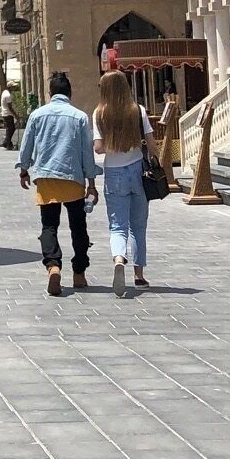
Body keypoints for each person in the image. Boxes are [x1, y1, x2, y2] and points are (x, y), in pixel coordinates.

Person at [17, 71, 99, 295]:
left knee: (49, 225)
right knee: (78, 227)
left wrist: (24, 170)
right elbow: (86, 153)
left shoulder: (37, 115)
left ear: (50, 92)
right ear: (70, 93)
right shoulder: (79, 116)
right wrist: (91, 182)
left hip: (46, 177)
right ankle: (79, 273)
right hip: (73, 178)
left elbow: (26, 146)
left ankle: (53, 265)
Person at [93, 70, 159, 296]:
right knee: (138, 226)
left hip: (114, 172)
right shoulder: (137, 110)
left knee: (117, 225)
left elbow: (99, 148)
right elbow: (151, 144)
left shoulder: (99, 113)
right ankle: (139, 277)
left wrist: (113, 141)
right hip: (138, 170)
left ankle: (119, 259)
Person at [0, 85, 17, 149]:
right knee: (11, 129)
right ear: (10, 87)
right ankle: (7, 142)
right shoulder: (8, 95)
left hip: (4, 113)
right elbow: (10, 107)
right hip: (8, 114)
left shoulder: (4, 92)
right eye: (13, 87)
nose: (14, 88)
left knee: (9, 129)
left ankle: (7, 142)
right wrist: (16, 115)